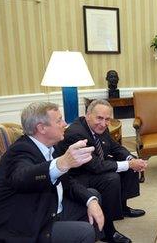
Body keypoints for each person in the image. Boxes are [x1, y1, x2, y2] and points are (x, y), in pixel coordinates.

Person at [0, 102, 104, 243]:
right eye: (59, 120)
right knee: (84, 232)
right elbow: (23, 176)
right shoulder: (20, 151)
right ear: (41, 128)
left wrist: (90, 201)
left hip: (48, 206)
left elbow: (68, 182)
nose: (65, 123)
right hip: (26, 224)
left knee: (93, 196)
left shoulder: (51, 147)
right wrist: (62, 163)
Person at [56, 99, 147, 243]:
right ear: (88, 115)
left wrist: (130, 159)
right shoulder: (76, 134)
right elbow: (95, 166)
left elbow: (115, 147)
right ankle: (108, 231)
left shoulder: (100, 127)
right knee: (111, 178)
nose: (104, 123)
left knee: (129, 163)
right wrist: (129, 164)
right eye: (99, 118)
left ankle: (122, 207)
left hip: (93, 166)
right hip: (77, 175)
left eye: (107, 119)